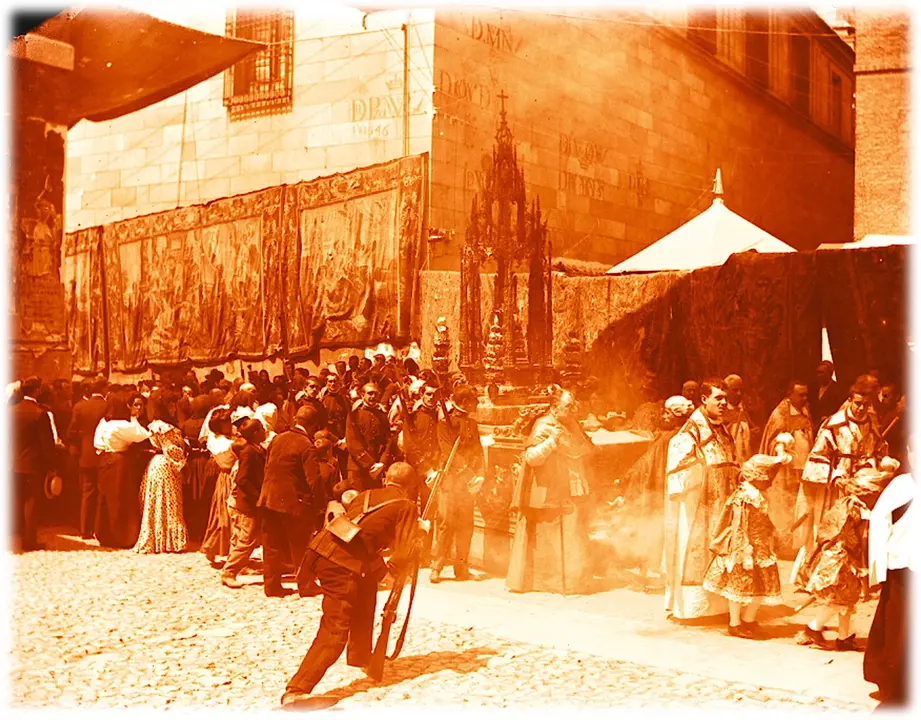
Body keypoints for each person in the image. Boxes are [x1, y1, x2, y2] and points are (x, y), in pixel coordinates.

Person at [281, 462, 424, 708]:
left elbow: (363, 535)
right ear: (411, 486)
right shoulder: (406, 506)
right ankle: (297, 689)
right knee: (335, 631)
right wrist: (414, 544)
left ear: (386, 479)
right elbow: (405, 549)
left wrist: (380, 573)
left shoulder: (367, 495)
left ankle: (361, 656)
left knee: (366, 594)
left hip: (321, 552)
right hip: (342, 565)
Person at [793, 463, 898, 651]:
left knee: (846, 601)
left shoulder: (856, 505)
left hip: (848, 559)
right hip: (841, 561)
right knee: (838, 600)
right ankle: (812, 628)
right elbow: (846, 536)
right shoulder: (852, 508)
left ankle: (844, 637)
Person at [506, 386, 595, 594]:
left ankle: (573, 582)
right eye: (568, 406)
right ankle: (547, 583)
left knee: (573, 534)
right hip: (548, 489)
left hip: (571, 486)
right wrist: (551, 442)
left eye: (574, 406)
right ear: (555, 407)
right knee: (548, 538)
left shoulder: (572, 423)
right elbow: (531, 458)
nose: (573, 410)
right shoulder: (544, 425)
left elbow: (584, 449)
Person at [663, 378, 739, 620]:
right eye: (719, 398)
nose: (724, 403)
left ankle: (719, 606)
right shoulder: (691, 431)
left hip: (722, 504)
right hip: (697, 506)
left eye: (726, 399)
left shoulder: (722, 428)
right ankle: (693, 609)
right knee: (695, 550)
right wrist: (707, 473)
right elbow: (677, 469)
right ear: (704, 399)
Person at [793, 377, 890, 564]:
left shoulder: (871, 423)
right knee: (833, 532)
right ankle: (821, 577)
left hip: (863, 487)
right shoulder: (834, 425)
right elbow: (818, 456)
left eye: (866, 404)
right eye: (858, 404)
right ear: (850, 401)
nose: (861, 408)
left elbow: (879, 449)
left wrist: (882, 462)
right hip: (837, 488)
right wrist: (836, 476)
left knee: (861, 533)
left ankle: (856, 578)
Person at [703, 453, 789, 639]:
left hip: (762, 546)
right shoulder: (743, 497)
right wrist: (743, 551)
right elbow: (739, 525)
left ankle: (749, 619)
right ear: (756, 477)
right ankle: (735, 623)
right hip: (745, 547)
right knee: (740, 586)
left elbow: (767, 521)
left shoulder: (760, 495)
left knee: (762, 584)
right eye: (767, 479)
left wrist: (775, 536)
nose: (770, 483)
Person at [616, 395, 694, 588]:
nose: (664, 416)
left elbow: (646, 467)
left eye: (668, 413)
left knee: (654, 528)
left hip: (659, 490)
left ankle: (650, 572)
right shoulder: (675, 436)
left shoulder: (670, 439)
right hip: (668, 489)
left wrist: (625, 479)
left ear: (678, 416)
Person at [258, 405, 326, 598]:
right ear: (313, 425)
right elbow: (314, 480)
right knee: (300, 546)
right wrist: (320, 505)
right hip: (292, 503)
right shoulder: (306, 444)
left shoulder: (277, 438)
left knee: (271, 545)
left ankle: (272, 586)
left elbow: (267, 466)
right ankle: (305, 585)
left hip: (267, 498)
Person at [864, 450, 914, 707]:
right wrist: (878, 568)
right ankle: (893, 683)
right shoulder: (900, 486)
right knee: (896, 628)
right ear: (909, 453)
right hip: (901, 568)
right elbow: (879, 522)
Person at [429, 384, 484, 584]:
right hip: (450, 481)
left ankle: (461, 568)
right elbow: (446, 451)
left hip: (467, 484)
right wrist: (469, 472)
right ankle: (437, 566)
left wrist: (480, 474)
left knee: (466, 525)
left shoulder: (471, 424)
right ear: (464, 402)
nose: (477, 404)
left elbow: (478, 450)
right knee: (446, 524)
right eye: (474, 401)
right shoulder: (445, 424)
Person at [759, 381, 814, 559]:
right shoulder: (779, 414)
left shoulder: (805, 410)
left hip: (803, 468)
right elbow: (771, 440)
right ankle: (783, 547)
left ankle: (797, 546)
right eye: (801, 395)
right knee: (784, 507)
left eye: (806, 394)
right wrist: (782, 445)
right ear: (790, 394)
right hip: (785, 471)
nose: (804, 398)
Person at [93, 392, 152, 549]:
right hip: (119, 461)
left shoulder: (104, 423)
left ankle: (104, 534)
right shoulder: (121, 425)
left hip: (105, 459)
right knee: (121, 500)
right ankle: (122, 536)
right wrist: (133, 418)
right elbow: (142, 435)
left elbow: (97, 443)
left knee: (106, 498)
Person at [133, 390, 189, 554]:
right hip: (166, 465)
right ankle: (170, 541)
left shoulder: (153, 424)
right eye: (170, 405)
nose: (173, 408)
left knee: (157, 502)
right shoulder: (167, 428)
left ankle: (158, 539)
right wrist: (184, 458)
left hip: (155, 464)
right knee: (168, 501)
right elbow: (172, 450)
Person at [221, 418, 267, 589]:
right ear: (254, 433)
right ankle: (229, 571)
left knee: (246, 538)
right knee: (247, 540)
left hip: (250, 503)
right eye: (261, 429)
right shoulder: (249, 452)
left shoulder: (257, 449)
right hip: (248, 504)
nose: (264, 431)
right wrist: (257, 496)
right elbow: (242, 479)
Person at [12, 377, 56, 551]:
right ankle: (29, 541)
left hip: (12, 464)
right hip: (32, 464)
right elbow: (47, 444)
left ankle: (15, 535)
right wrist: (52, 465)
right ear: (37, 391)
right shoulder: (39, 413)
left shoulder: (10, 411)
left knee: (16, 499)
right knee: (31, 503)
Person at [67, 376, 108, 539]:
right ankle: (99, 528)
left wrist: (80, 443)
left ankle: (85, 529)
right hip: (103, 453)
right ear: (104, 389)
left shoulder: (79, 407)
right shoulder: (107, 406)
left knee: (87, 492)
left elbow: (71, 432)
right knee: (102, 492)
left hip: (85, 455)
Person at [200, 407, 236, 567]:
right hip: (230, 478)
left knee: (219, 514)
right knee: (227, 516)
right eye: (227, 421)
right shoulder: (227, 443)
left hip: (222, 478)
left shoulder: (213, 439)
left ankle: (213, 547)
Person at [345, 383, 397, 492]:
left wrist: (382, 462)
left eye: (375, 394)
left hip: (377, 469)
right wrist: (370, 464)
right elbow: (353, 443)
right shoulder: (354, 415)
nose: (373, 397)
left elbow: (387, 440)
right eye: (370, 393)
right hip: (358, 469)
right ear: (362, 395)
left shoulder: (382, 415)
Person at [180, 395, 215, 543]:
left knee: (192, 495)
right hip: (205, 462)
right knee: (204, 495)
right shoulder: (208, 424)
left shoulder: (186, 424)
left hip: (192, 462)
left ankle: (193, 530)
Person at [723, 374, 755, 463]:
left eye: (741, 390)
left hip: (746, 459)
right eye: (735, 390)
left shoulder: (744, 409)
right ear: (726, 391)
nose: (739, 393)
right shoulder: (721, 412)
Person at [811, 361, 845, 427]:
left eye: (822, 372)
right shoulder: (812, 388)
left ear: (830, 373)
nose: (819, 375)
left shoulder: (839, 390)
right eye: (818, 372)